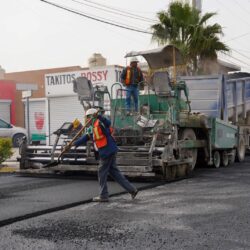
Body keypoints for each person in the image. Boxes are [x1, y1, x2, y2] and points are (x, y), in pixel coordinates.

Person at [73, 108, 138, 202]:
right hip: (108, 150)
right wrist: (74, 144)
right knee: (114, 172)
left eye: (87, 117)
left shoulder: (100, 123)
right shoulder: (92, 127)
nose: (86, 120)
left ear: (91, 116)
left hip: (107, 151)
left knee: (101, 172)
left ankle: (103, 195)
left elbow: (108, 123)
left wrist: (99, 116)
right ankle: (132, 190)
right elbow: (86, 137)